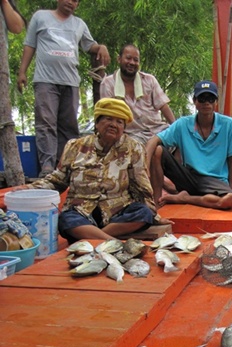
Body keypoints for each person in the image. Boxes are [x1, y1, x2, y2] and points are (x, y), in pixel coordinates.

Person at [29, 98, 159, 242]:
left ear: (124, 128)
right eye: (108, 119)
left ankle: (93, 236)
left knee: (142, 213)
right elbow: (57, 180)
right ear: (97, 123)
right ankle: (112, 242)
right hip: (81, 210)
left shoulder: (133, 148)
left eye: (119, 122)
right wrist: (30, 189)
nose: (113, 125)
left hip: (117, 211)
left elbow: (141, 186)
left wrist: (153, 215)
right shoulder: (75, 146)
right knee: (66, 219)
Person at [17, 0, 110, 176]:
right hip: (46, 80)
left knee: (69, 126)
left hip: (70, 81)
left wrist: (102, 47)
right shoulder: (41, 17)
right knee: (46, 123)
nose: (70, 2)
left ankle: (67, 166)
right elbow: (30, 45)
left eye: (75, 1)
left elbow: (89, 46)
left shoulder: (79, 24)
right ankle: (47, 167)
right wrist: (22, 71)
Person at [146, 80, 232, 210]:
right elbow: (154, 140)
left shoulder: (228, 124)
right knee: (158, 151)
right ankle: (156, 202)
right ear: (195, 101)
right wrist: (145, 165)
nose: (206, 102)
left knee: (231, 200)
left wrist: (231, 189)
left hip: (214, 180)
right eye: (202, 98)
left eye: (210, 98)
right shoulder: (183, 123)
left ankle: (184, 198)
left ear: (216, 102)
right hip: (189, 177)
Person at [100, 44, 175, 146]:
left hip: (158, 129)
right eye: (128, 58)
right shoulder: (108, 83)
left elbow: (163, 106)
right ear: (119, 59)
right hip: (131, 135)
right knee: (137, 148)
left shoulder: (149, 80)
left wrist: (176, 127)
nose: (132, 63)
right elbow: (108, 115)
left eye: (136, 60)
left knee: (182, 143)